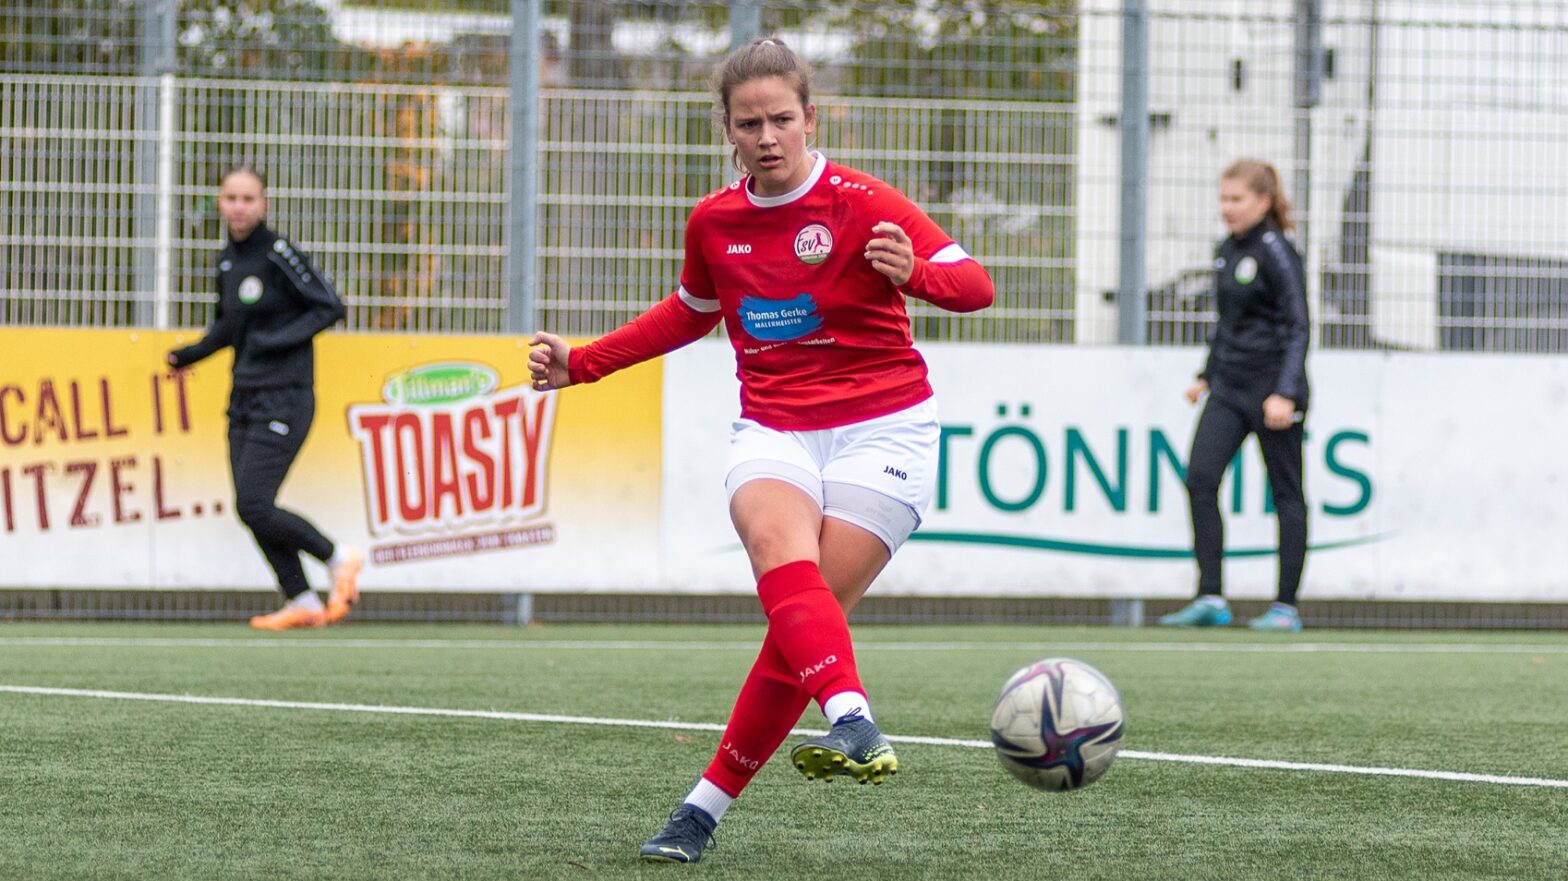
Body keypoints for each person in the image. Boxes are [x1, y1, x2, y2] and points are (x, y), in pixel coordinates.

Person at [526, 37, 993, 864]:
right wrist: (585, 363)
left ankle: (700, 810)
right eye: (750, 124)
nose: (768, 136)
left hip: (886, 427)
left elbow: (976, 286)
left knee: (798, 630)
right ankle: (851, 715)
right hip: (775, 425)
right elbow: (689, 311)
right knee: (781, 553)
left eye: (782, 119)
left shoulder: (865, 202)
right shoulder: (714, 221)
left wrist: (916, 272)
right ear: (729, 131)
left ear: (812, 118)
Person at [166, 166, 363, 631]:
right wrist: (187, 355)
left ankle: (338, 557)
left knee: (254, 504)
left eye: (248, 198)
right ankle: (302, 599)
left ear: (264, 204)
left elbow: (329, 305)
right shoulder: (227, 262)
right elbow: (229, 328)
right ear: (220, 202)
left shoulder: (277, 253)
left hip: (285, 397)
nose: (239, 207)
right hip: (245, 398)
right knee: (251, 507)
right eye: (231, 197)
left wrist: (275, 341)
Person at [1161, 159, 1310, 633]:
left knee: (1286, 494)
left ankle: (1285, 607)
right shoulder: (1227, 249)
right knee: (1200, 479)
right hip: (1228, 387)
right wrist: (1206, 375)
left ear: (1263, 202)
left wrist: (1285, 392)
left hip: (1272, 391)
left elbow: (1298, 325)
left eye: (1236, 199)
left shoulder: (1277, 250)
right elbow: (1228, 324)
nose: (1226, 208)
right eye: (1223, 199)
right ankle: (1210, 596)